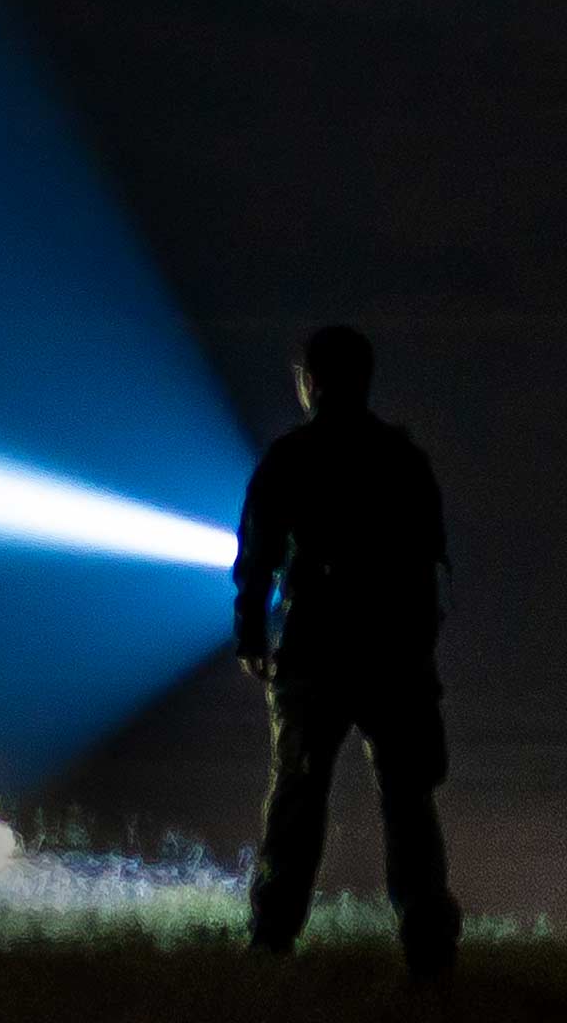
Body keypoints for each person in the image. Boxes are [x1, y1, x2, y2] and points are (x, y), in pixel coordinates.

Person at [233, 323, 457, 976]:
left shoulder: (290, 458)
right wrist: (419, 644)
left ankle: (272, 936)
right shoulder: (404, 459)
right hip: (394, 653)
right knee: (409, 801)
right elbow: (430, 560)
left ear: (311, 380)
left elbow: (258, 556)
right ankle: (428, 949)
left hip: (315, 651)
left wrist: (251, 633)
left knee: (297, 797)